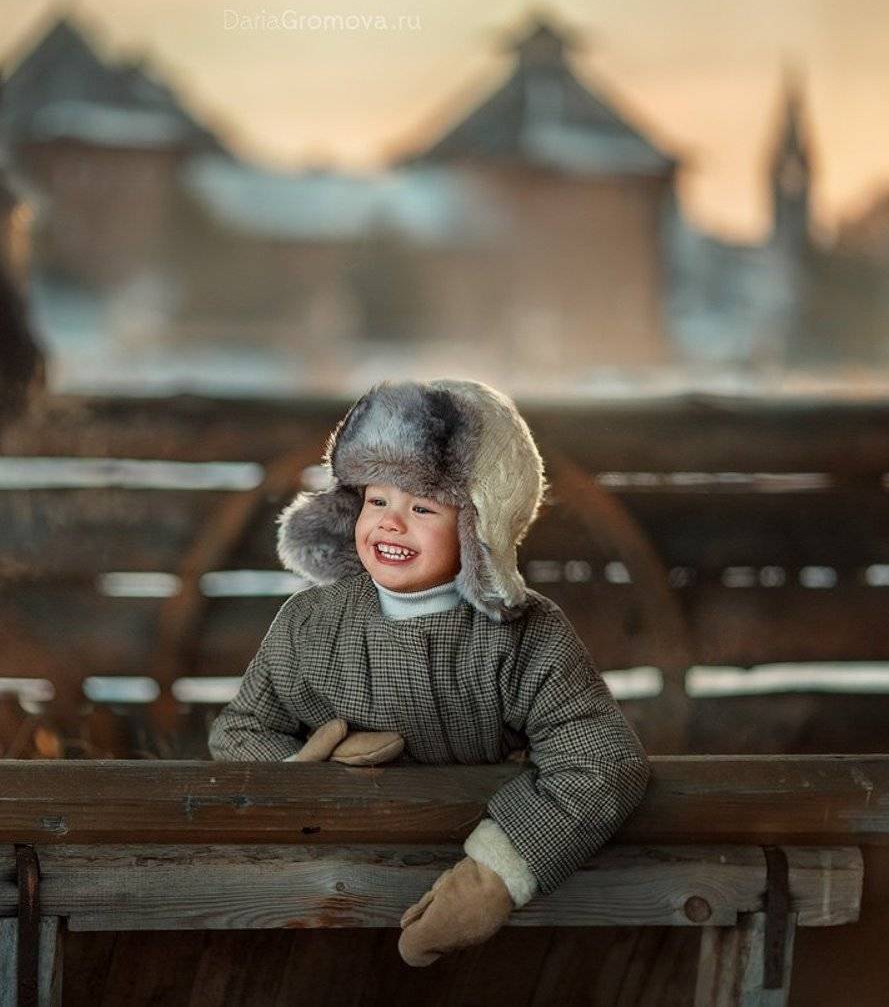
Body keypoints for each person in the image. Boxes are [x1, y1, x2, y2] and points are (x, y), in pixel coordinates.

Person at [207, 378, 651, 966]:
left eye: (422, 507)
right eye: (375, 500)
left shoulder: (525, 636)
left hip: (483, 900)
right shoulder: (311, 623)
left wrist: (494, 876)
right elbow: (240, 729)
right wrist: (304, 770)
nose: (391, 523)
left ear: (480, 524)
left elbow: (601, 761)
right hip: (327, 892)